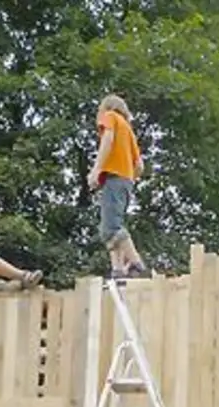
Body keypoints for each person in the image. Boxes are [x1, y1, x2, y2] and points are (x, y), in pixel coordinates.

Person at [87, 94, 148, 280]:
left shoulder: (110, 116)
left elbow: (108, 139)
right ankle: (117, 270)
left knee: (111, 228)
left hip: (114, 178)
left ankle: (137, 265)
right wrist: (128, 177)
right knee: (112, 227)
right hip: (126, 181)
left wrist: (96, 169)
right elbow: (140, 166)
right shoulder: (128, 129)